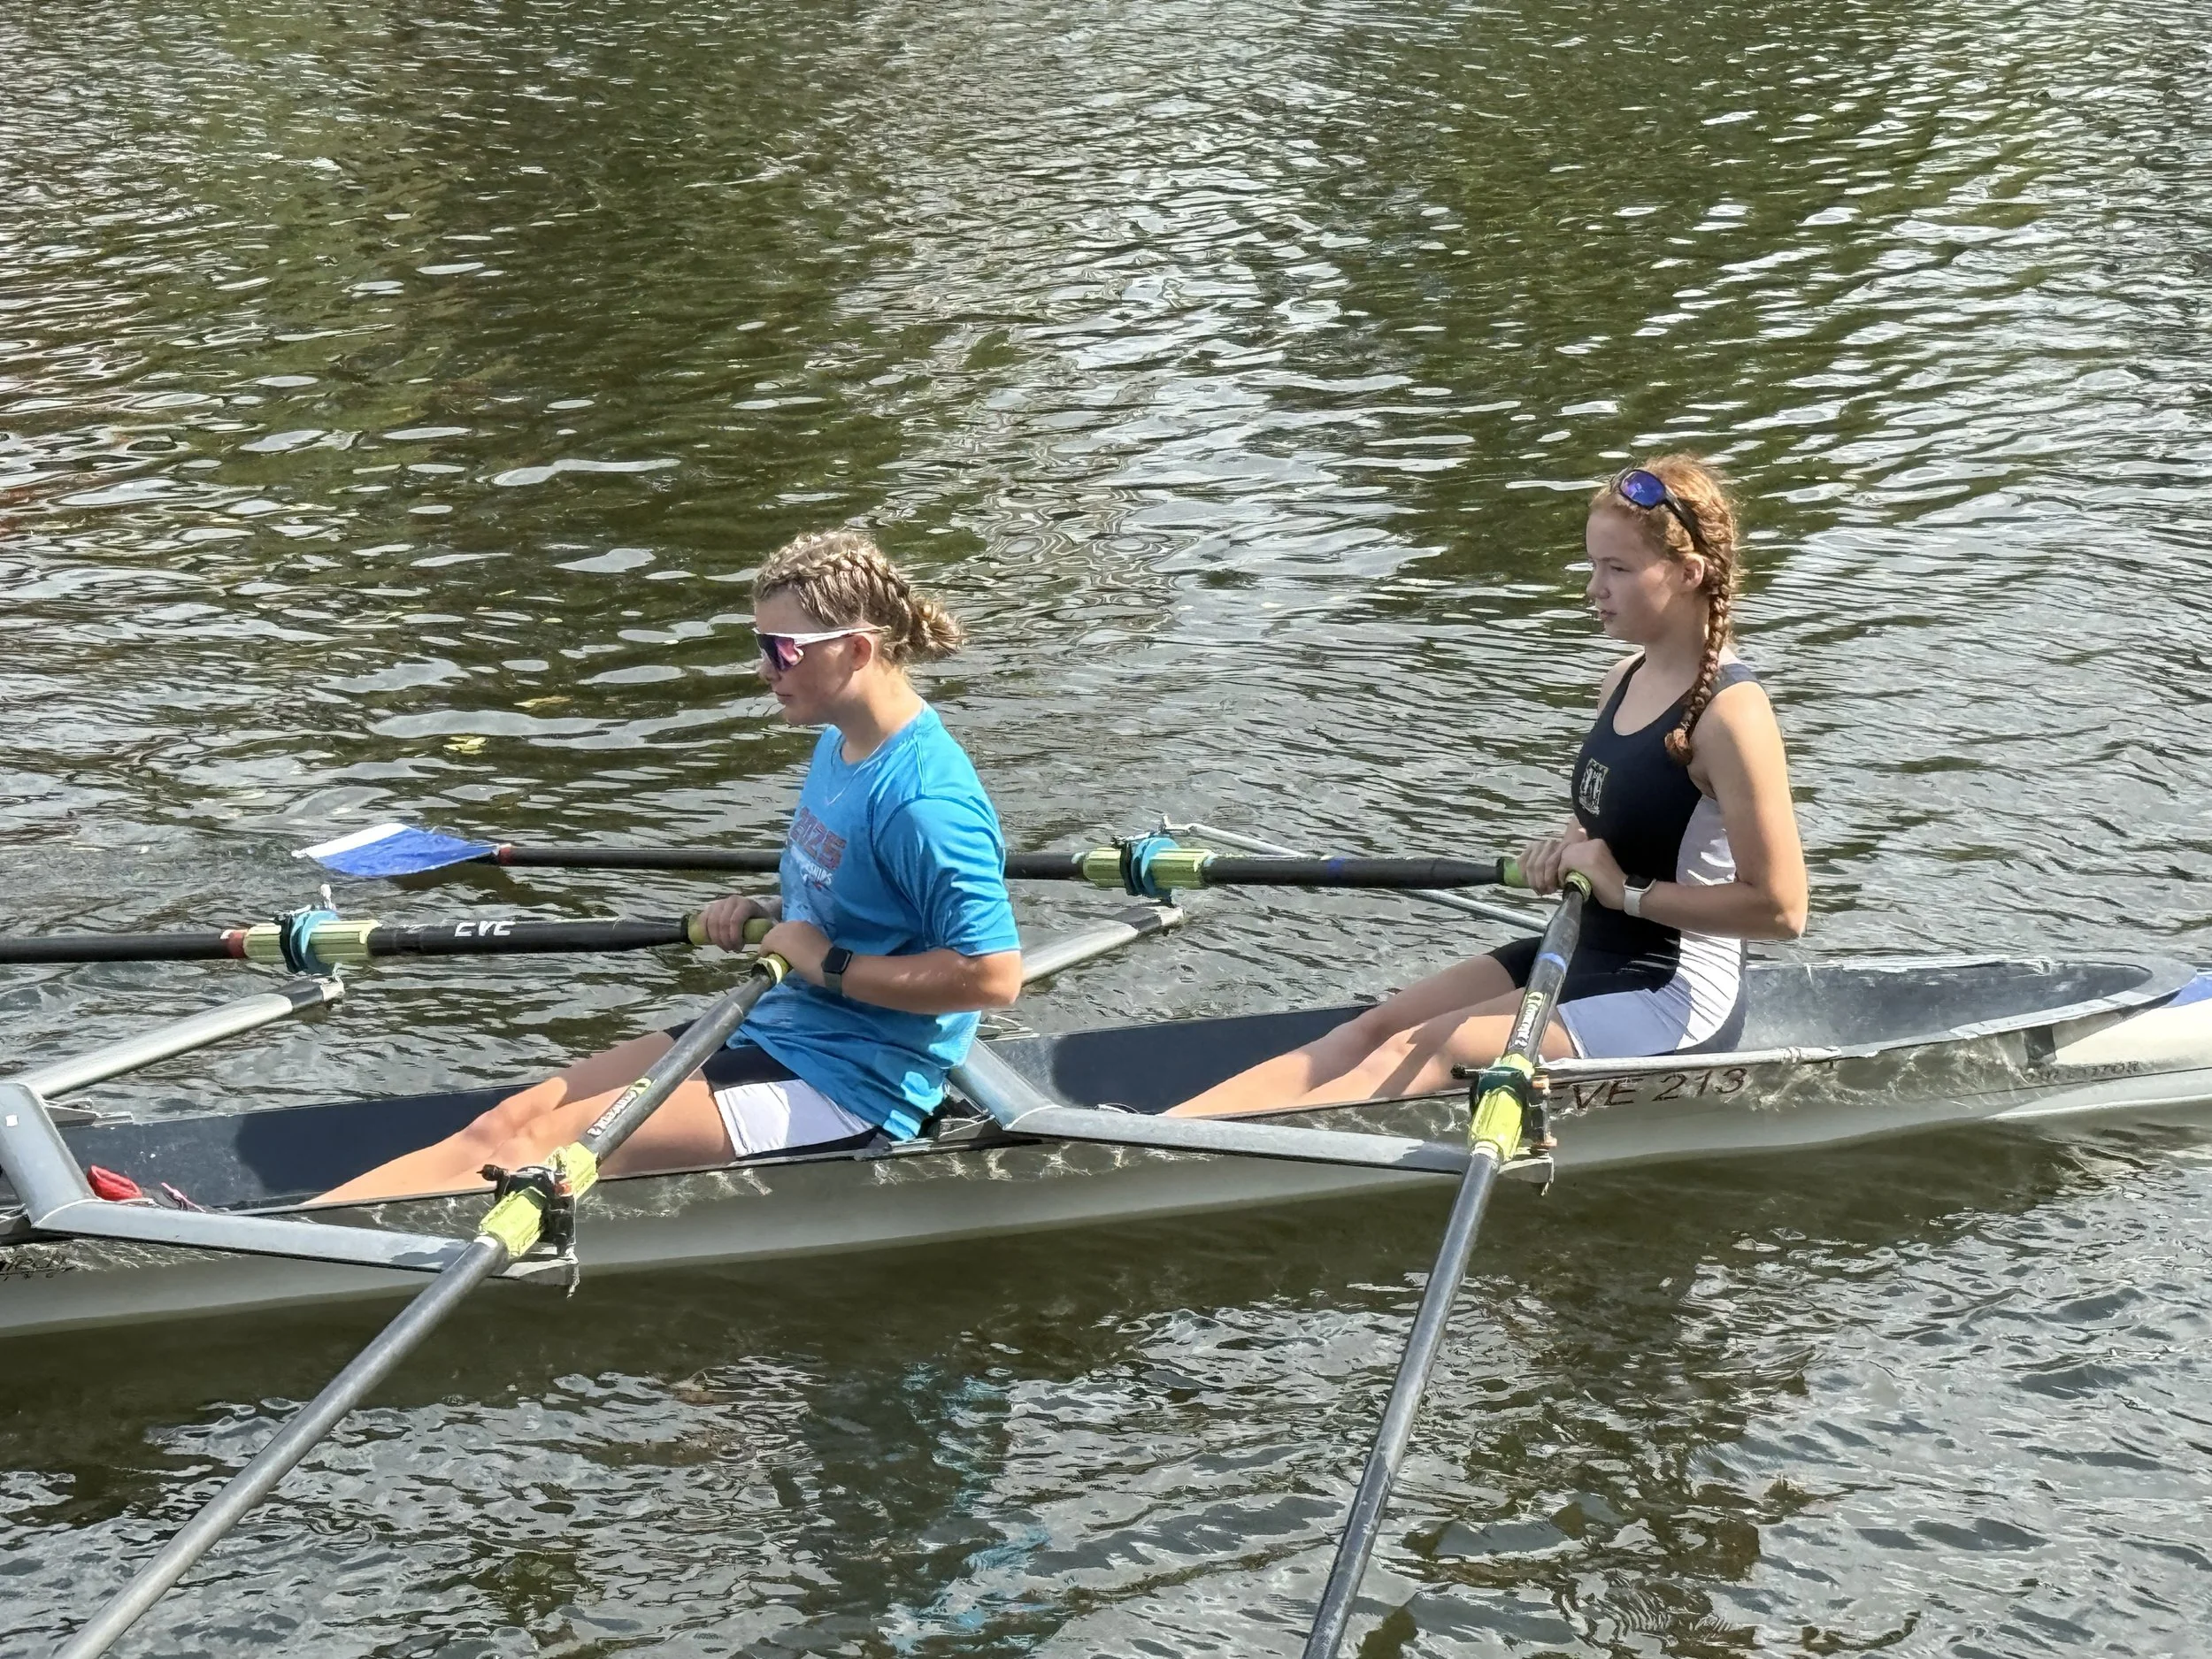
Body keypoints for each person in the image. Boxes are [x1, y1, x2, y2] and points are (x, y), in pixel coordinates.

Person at [318, 529, 1024, 1202]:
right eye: (760, 645)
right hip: (783, 1023)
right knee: (510, 1121)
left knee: (541, 1146)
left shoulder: (926, 799)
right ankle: (258, 1233)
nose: (762, 668)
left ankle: (266, 1256)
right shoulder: (838, 747)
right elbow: (862, 902)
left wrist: (827, 962)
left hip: (856, 1081)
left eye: (781, 650)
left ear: (857, 650)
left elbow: (993, 977)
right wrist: (775, 910)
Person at [1168, 454, 1808, 1119]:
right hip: (1584, 944)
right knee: (1373, 1029)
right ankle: (1160, 1134)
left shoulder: (1733, 715)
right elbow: (1620, 833)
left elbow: (1782, 911)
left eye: (1617, 569)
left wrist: (1629, 893)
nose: (1594, 588)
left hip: (1672, 993)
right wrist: (1563, 851)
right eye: (1593, 566)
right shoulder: (1621, 679)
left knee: (1423, 1049)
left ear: (1688, 573)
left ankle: (1186, 1158)